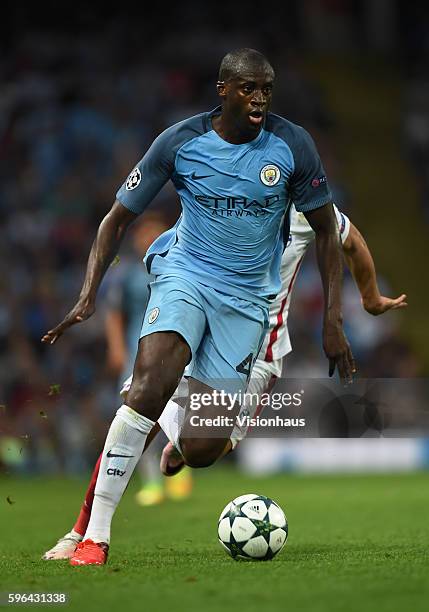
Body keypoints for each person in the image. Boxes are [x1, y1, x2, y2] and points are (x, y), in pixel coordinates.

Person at [42, 48, 355, 566]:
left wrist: (334, 322)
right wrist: (86, 295)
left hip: (247, 300)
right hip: (184, 273)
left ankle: (172, 422)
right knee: (146, 384)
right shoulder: (181, 141)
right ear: (223, 89)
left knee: (205, 449)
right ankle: (93, 537)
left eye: (266, 89)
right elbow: (116, 219)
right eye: (248, 88)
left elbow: (327, 231)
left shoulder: (293, 145)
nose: (259, 98)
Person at [42, 202, 407, 561]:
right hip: (202, 332)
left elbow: (352, 242)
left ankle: (184, 440)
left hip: (261, 352)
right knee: (141, 414)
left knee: (210, 449)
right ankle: (81, 533)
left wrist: (370, 298)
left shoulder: (306, 208)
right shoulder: (226, 189)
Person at [104, 212, 192, 506]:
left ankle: (176, 468)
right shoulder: (127, 273)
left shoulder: (181, 266)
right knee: (136, 415)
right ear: (137, 238)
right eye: (145, 234)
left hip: (175, 352)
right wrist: (116, 348)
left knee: (176, 410)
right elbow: (114, 313)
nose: (149, 239)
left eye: (156, 232)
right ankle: (151, 483)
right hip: (137, 352)